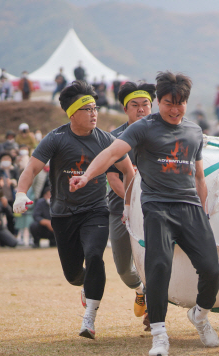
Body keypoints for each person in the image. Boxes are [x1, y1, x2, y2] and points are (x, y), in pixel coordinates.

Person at [68, 72, 219, 356]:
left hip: (190, 208)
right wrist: (86, 175)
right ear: (158, 102)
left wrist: (203, 211)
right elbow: (111, 153)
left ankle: (200, 316)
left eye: (180, 103)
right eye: (167, 103)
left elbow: (199, 176)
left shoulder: (194, 131)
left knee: (212, 269)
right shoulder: (143, 128)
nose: (174, 110)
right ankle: (160, 335)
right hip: (157, 207)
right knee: (158, 268)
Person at [13, 80, 133, 341]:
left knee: (94, 256)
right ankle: (84, 285)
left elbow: (127, 171)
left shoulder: (106, 139)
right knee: (73, 274)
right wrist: (21, 193)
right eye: (87, 109)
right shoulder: (56, 138)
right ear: (72, 113)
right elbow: (32, 169)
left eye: (95, 108)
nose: (94, 113)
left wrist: (130, 203)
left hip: (96, 211)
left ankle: (89, 317)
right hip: (63, 214)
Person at [105, 81, 156, 323]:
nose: (141, 109)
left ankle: (155, 311)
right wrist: (131, 202)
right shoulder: (114, 138)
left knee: (158, 261)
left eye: (146, 104)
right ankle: (140, 289)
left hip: (156, 210)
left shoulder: (162, 134)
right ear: (125, 110)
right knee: (124, 269)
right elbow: (114, 178)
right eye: (134, 105)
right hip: (120, 210)